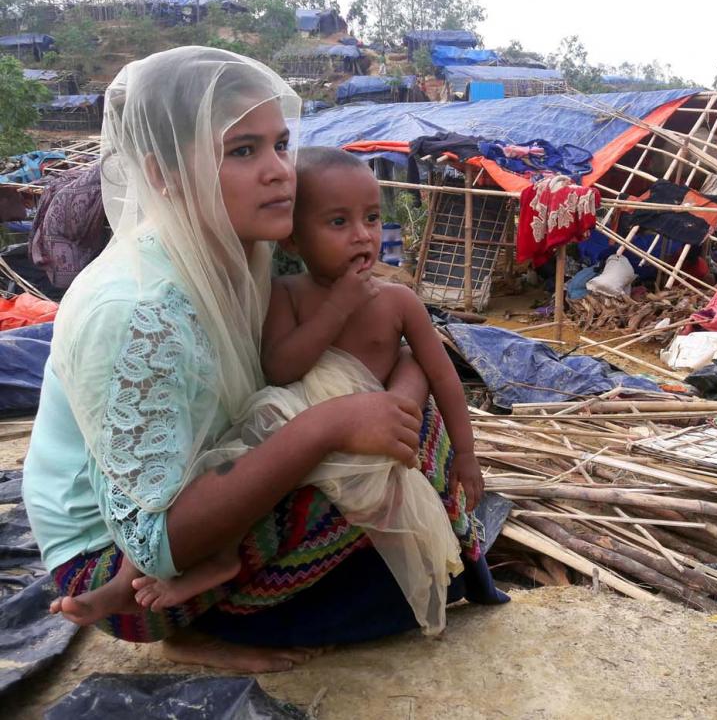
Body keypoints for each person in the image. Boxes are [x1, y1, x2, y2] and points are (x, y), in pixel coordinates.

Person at [23, 46, 504, 673]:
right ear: (164, 174)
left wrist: (398, 391)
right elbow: (156, 543)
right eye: (243, 150)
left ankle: (293, 596)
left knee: (411, 435)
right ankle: (208, 625)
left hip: (213, 484)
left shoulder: (243, 255)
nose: (281, 171)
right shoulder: (136, 308)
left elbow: (402, 356)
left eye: (280, 144)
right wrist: (331, 424)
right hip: (119, 573)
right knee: (383, 465)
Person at [87, 148, 486, 634]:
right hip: (291, 423)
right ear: (294, 240)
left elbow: (442, 376)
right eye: (338, 222)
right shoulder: (287, 293)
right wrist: (336, 308)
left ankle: (239, 574)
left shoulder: (400, 301)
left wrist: (465, 454)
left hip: (357, 442)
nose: (362, 235)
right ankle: (145, 571)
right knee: (216, 473)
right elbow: (280, 367)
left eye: (373, 218)